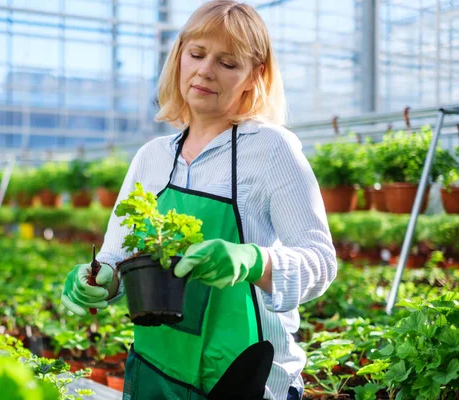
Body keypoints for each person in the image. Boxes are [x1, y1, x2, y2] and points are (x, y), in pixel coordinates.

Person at [61, 1, 337, 399]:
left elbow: (320, 262)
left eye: (228, 63)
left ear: (253, 75)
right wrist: (101, 279)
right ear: (179, 58)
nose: (206, 70)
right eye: (197, 54)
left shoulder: (272, 149)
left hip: (242, 376)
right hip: (156, 370)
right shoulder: (151, 157)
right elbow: (117, 259)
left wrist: (254, 260)